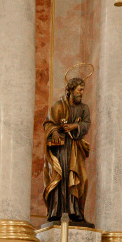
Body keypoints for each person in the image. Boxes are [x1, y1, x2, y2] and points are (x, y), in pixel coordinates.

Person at [43, 77, 91, 224]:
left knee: (80, 179)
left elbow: (86, 124)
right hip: (61, 149)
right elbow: (48, 124)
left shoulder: (84, 108)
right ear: (71, 90)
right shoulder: (58, 106)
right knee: (61, 177)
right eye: (79, 90)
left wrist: (74, 126)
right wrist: (55, 132)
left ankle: (75, 210)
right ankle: (57, 211)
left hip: (75, 148)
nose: (82, 93)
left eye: (83, 90)